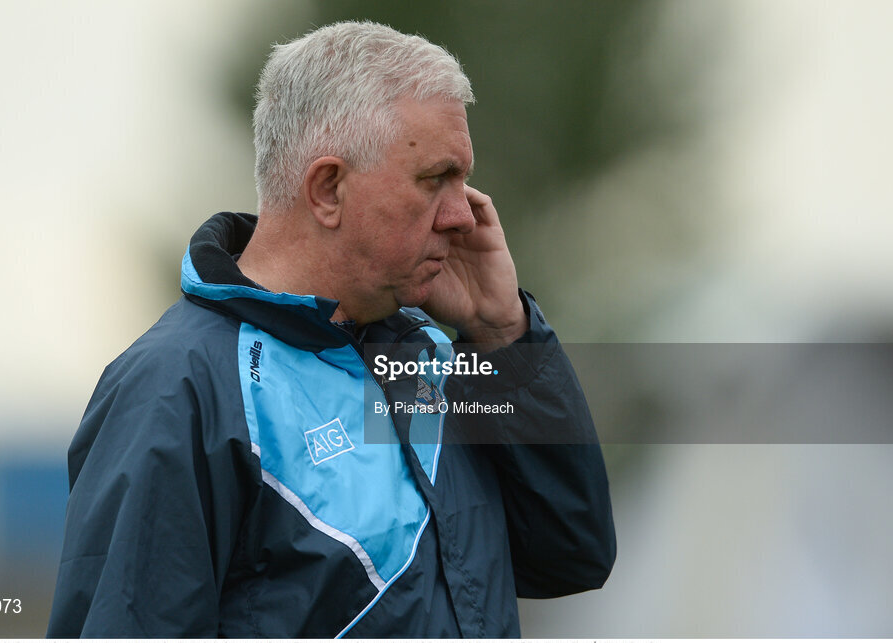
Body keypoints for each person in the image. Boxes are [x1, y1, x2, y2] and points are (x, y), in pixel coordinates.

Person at [47, 21, 615, 638]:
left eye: (463, 181)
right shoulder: (177, 386)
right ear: (328, 189)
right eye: (435, 180)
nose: (464, 216)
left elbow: (571, 553)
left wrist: (505, 333)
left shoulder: (429, 357)